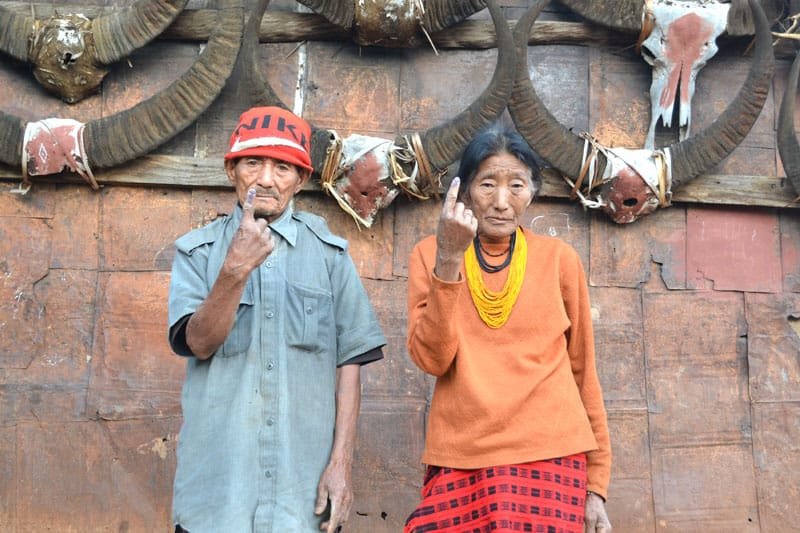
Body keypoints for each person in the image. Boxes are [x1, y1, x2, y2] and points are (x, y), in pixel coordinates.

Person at [167, 106, 387, 533]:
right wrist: (234, 269)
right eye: (253, 163)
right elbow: (199, 343)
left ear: (301, 180)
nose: (266, 179)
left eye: (282, 167)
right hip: (218, 497)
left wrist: (340, 465)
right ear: (232, 169)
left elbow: (350, 364)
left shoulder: (330, 255)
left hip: (301, 497)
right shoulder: (196, 252)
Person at [404, 125, 612, 533]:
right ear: (463, 193)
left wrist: (597, 485)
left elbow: (584, 371)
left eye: (516, 184)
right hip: (461, 457)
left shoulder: (559, 259)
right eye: (487, 184)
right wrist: (448, 258)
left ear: (533, 191)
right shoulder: (429, 254)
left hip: (551, 457)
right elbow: (432, 358)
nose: (501, 201)